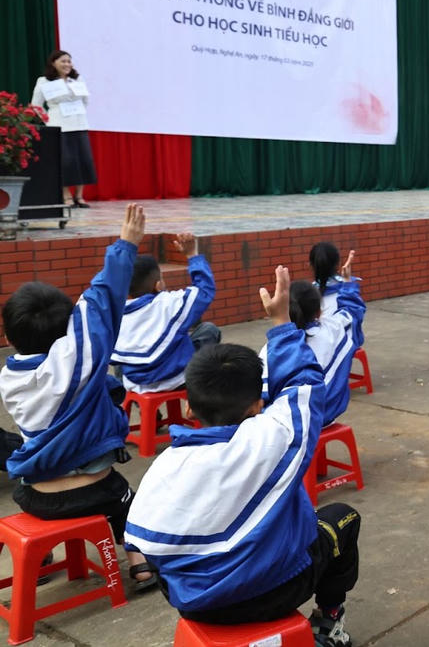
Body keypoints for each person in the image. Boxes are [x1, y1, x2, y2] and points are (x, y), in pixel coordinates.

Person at [124, 266, 360, 646]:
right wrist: (282, 323)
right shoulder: (271, 439)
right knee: (342, 520)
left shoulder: (163, 469)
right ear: (257, 403)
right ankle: (328, 623)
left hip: (194, 604)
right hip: (272, 592)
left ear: (187, 409)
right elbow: (305, 387)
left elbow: (143, 545)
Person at [1, 205, 155, 589]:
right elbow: (101, 301)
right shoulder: (78, 361)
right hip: (97, 494)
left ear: (8, 338)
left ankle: (41, 556)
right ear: (67, 329)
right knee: (131, 502)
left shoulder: (9, 377)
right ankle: (140, 565)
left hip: (33, 497)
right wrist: (126, 244)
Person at [110, 232, 219, 394]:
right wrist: (192, 255)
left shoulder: (115, 312)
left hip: (136, 383)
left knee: (121, 359)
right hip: (176, 378)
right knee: (209, 330)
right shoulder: (169, 303)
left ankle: (142, 410)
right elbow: (205, 290)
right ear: (158, 285)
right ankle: (202, 394)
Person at [266, 259, 365, 428]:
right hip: (326, 415)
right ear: (319, 312)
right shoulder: (335, 329)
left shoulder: (274, 348)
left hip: (289, 423)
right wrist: (348, 283)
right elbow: (353, 311)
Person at [31, 50, 95, 208]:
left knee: (83, 161)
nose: (67, 64)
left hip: (79, 124)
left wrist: (78, 113)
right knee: (66, 162)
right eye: (63, 61)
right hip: (59, 125)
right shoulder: (44, 81)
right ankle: (66, 196)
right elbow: (36, 105)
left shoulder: (77, 79)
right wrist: (49, 120)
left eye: (69, 61)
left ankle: (79, 196)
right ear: (54, 63)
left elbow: (86, 100)